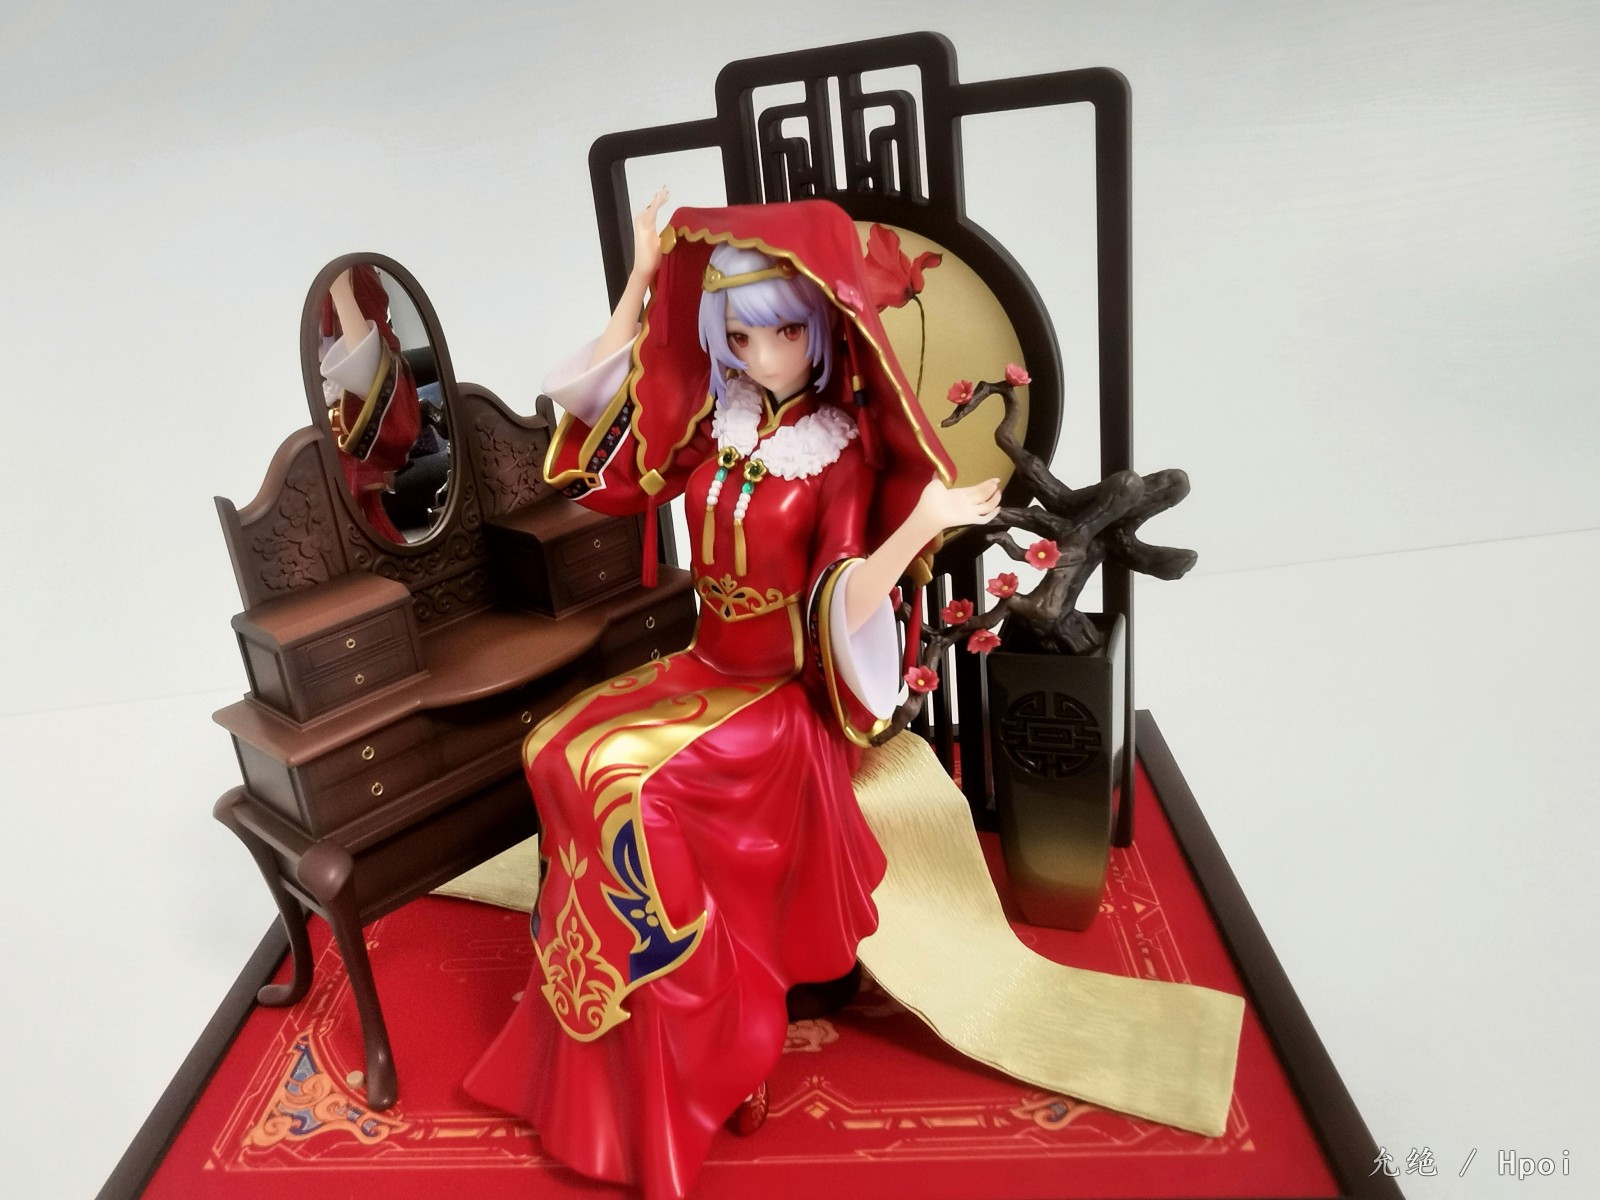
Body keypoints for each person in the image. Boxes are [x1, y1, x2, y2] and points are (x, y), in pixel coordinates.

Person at [464, 192, 999, 1199]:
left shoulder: (841, 454)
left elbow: (846, 600)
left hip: (775, 698)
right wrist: (638, 284)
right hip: (699, 667)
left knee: (631, 789)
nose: (761, 355)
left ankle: (721, 1041)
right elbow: (598, 455)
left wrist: (920, 522)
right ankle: (591, 1035)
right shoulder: (721, 422)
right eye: (740, 337)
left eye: (783, 332)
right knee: (552, 749)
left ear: (823, 329)